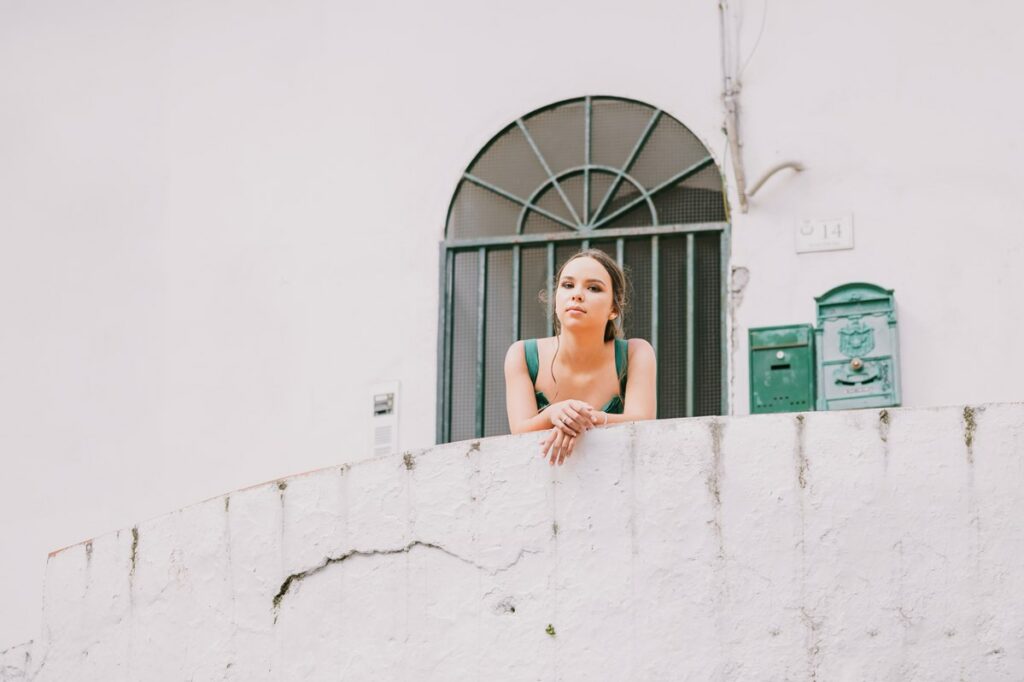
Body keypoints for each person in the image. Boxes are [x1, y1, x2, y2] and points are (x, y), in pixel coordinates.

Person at [504, 249, 656, 466]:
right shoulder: (521, 355)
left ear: (614, 308)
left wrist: (575, 419)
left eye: (593, 288)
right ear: (556, 299)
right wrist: (552, 414)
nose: (576, 294)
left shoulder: (636, 353)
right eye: (567, 285)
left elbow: (643, 421)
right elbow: (519, 430)